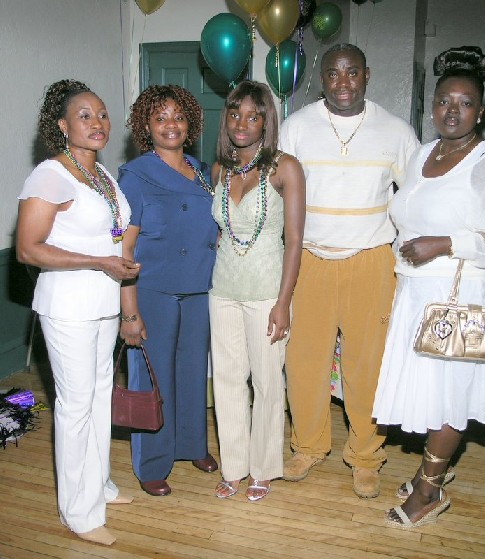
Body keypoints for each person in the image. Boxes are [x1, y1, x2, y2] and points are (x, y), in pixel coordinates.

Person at [372, 46, 485, 529]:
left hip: (460, 296)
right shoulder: (423, 154)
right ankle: (430, 469)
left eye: (464, 103)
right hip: (416, 293)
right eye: (444, 102)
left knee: (451, 394)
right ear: (433, 106)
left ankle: (429, 490)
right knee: (430, 392)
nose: (452, 111)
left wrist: (444, 243)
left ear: (480, 111)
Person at [278, 43, 419, 498]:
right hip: (309, 261)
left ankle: (365, 455)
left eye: (352, 73)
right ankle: (308, 446)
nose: (343, 82)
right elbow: (276, 189)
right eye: (334, 74)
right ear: (322, 78)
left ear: (367, 75)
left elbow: (417, 197)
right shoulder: (296, 128)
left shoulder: (396, 131)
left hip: (371, 261)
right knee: (304, 361)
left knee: (367, 365)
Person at [16, 79, 139, 546]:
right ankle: (78, 513)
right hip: (67, 306)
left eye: (102, 115)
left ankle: (99, 486)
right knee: (74, 406)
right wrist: (99, 262)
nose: (97, 123)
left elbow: (109, 234)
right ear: (63, 125)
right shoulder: (50, 174)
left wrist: (119, 264)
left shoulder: (102, 175)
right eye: (84, 116)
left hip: (104, 303)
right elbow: (28, 249)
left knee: (99, 398)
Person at [118, 85, 219, 497]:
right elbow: (123, 247)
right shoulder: (135, 174)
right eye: (160, 118)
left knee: (194, 373)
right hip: (154, 290)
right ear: (146, 126)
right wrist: (129, 312)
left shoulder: (201, 168)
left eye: (178, 116)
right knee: (152, 378)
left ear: (190, 122)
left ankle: (192, 444)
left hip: (199, 286)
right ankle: (153, 463)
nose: (170, 124)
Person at [210, 81, 305, 501]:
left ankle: (263, 467)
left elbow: (296, 239)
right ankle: (233, 466)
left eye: (253, 115)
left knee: (267, 382)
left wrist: (284, 303)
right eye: (235, 114)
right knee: (228, 381)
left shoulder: (286, 168)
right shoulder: (220, 170)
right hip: (223, 289)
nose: (242, 123)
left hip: (268, 291)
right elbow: (221, 232)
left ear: (267, 119)